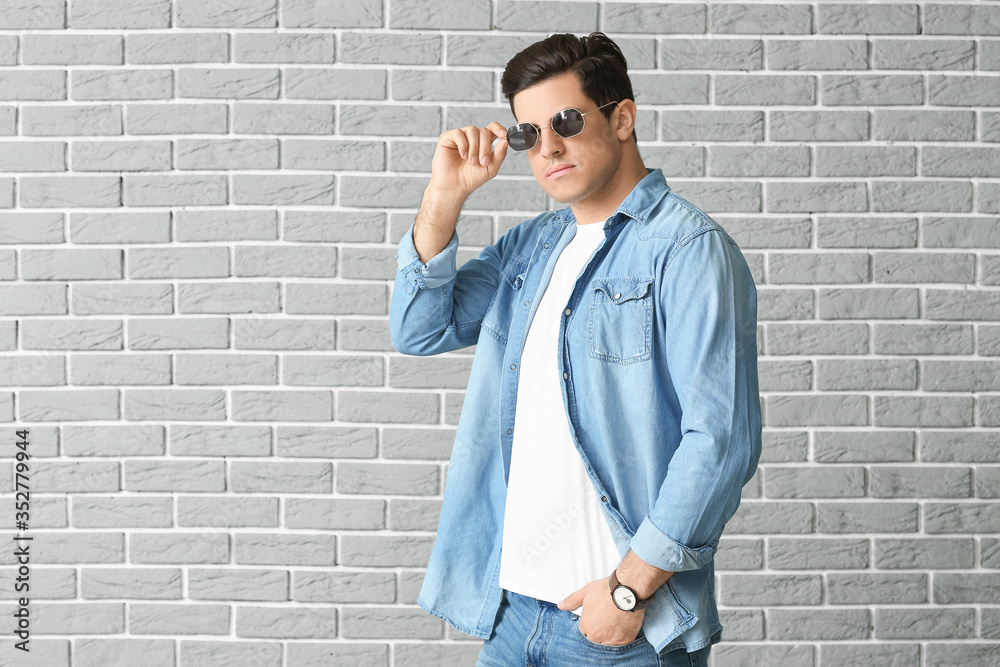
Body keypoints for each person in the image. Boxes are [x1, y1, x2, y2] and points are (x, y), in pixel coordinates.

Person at [390, 32, 761, 666]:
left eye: (566, 120)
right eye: (530, 133)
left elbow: (720, 438)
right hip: (510, 616)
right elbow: (419, 329)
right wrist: (444, 196)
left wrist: (625, 591)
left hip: (621, 629)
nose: (549, 146)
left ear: (622, 118)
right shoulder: (532, 248)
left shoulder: (687, 250)